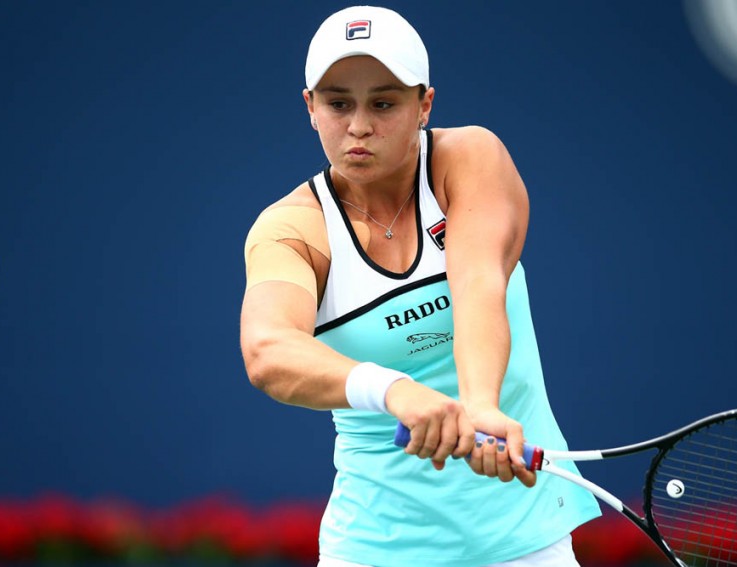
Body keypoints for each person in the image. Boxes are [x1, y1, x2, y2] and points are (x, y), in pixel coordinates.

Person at [240, 6, 601, 566]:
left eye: (383, 103)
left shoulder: (470, 158)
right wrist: (393, 390)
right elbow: (268, 351)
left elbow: (478, 282)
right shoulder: (291, 229)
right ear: (310, 107)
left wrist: (479, 405)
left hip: (525, 540)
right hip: (371, 549)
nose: (359, 126)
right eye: (338, 103)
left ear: (424, 105)